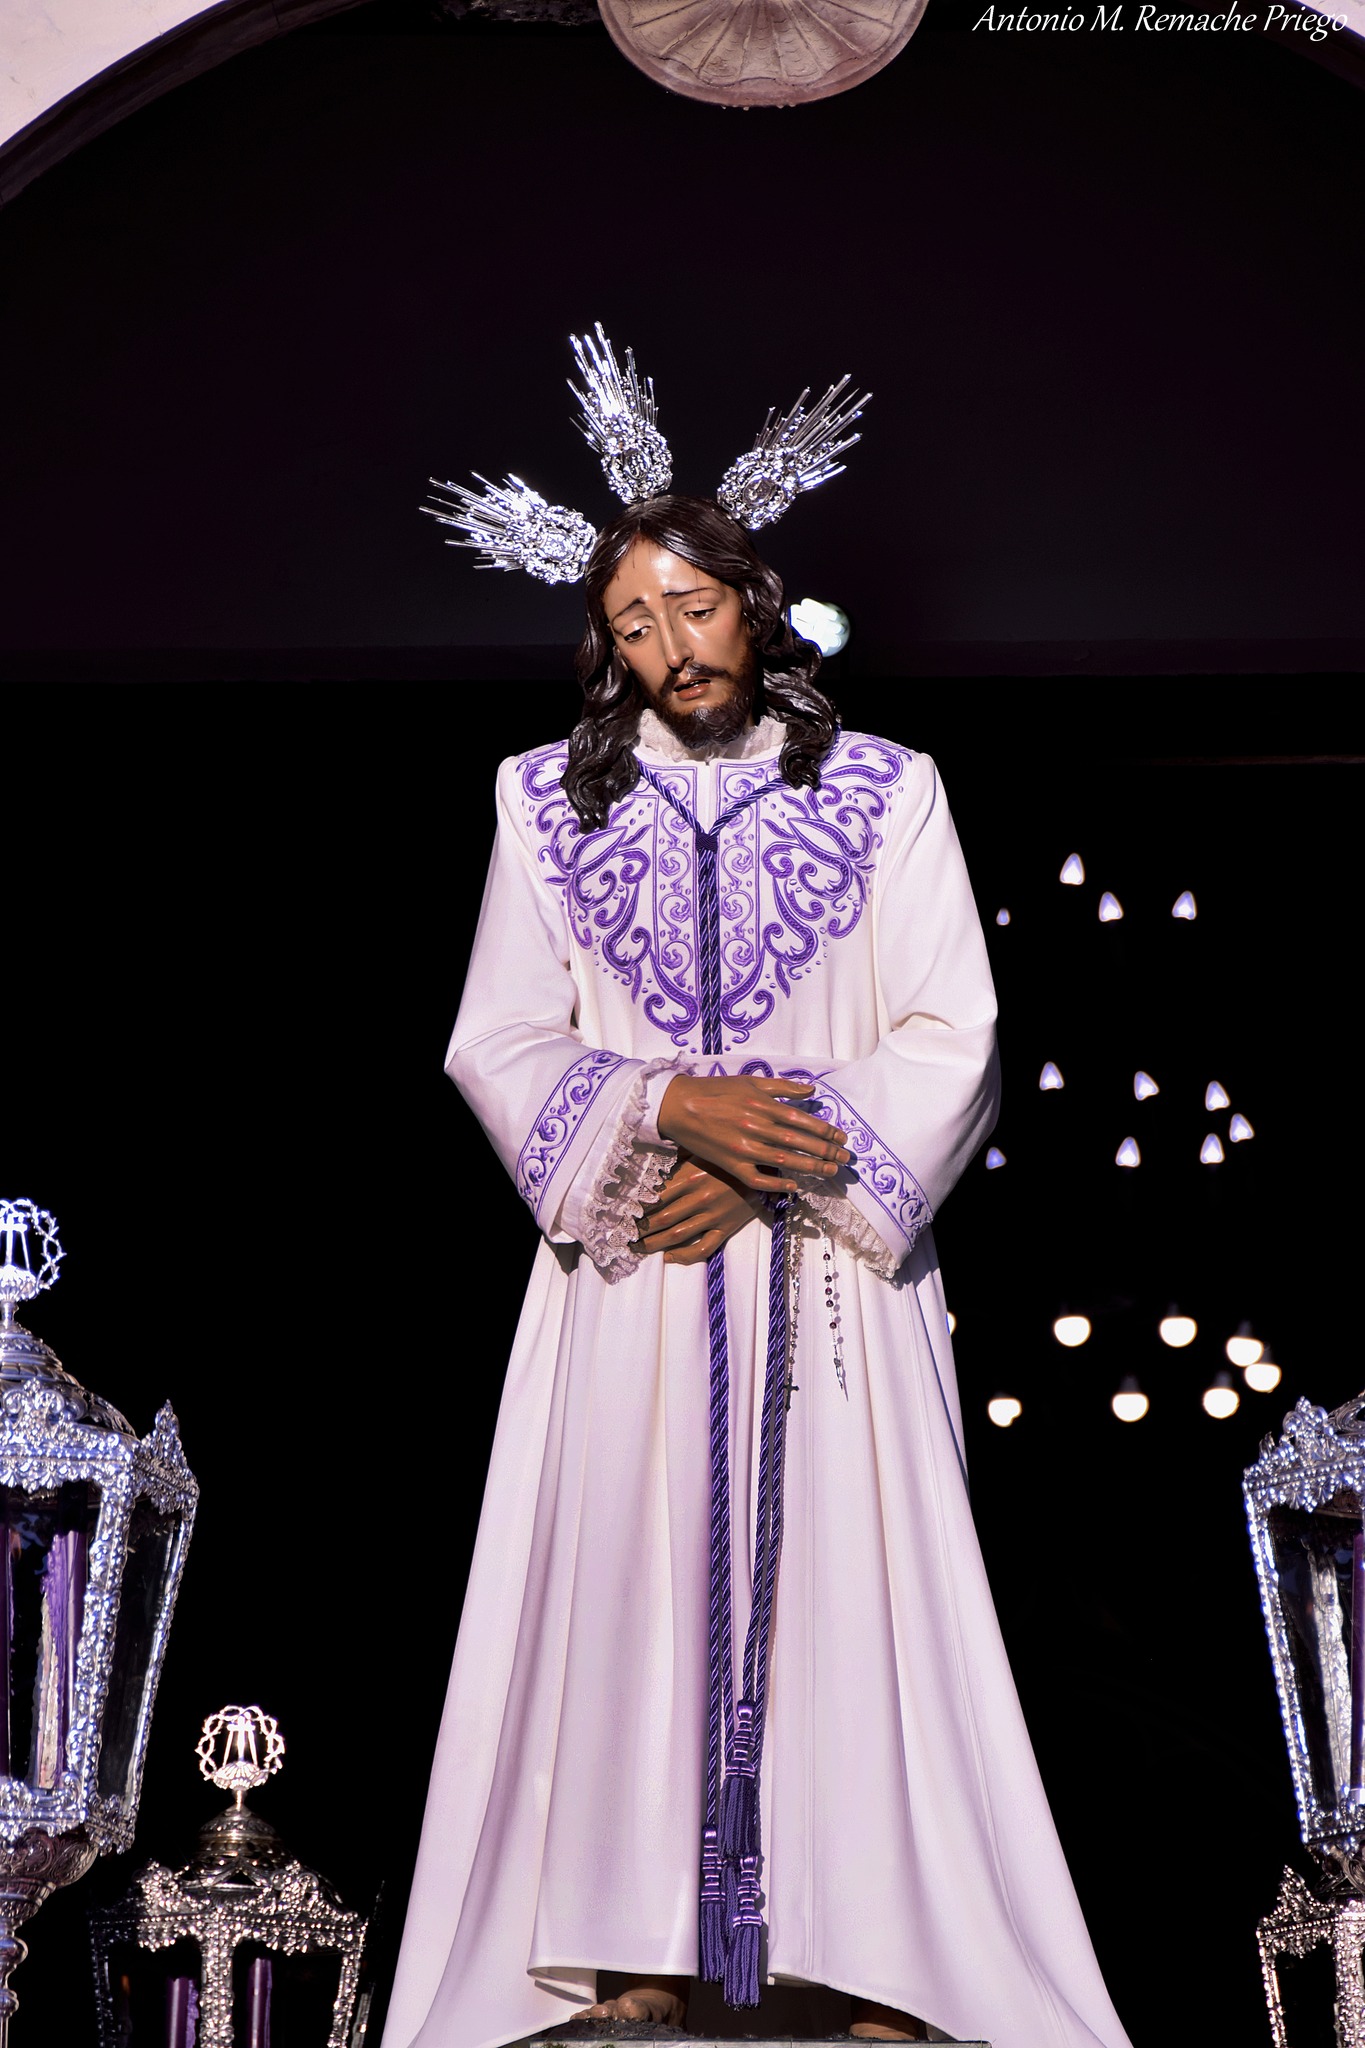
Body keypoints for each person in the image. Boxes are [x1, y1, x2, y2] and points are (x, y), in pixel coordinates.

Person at [384, 337, 1133, 2048]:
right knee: (624, 1591)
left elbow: (950, 1029)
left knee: (856, 1600)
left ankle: (880, 1959)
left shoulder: (886, 793)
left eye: (695, 607)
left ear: (753, 601)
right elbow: (497, 1037)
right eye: (634, 623)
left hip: (831, 1272)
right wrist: (671, 1112)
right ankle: (633, 1947)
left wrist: (765, 1166)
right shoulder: (539, 805)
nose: (672, 648)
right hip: (632, 1270)